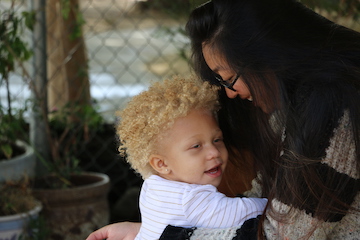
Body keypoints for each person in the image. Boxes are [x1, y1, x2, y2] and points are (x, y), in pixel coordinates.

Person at [87, 0, 360, 239]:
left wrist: (157, 235)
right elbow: (263, 207)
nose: (230, 93)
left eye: (230, 79)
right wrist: (146, 232)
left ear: (269, 56)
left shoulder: (331, 109)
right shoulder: (291, 108)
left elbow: (280, 233)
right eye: (222, 81)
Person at [109, 76, 267, 240]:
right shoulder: (189, 200)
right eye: (196, 146)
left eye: (217, 140)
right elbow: (242, 211)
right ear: (162, 163)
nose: (214, 152)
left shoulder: (152, 186)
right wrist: (272, 204)